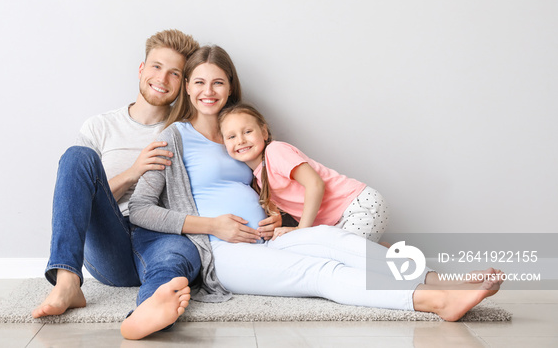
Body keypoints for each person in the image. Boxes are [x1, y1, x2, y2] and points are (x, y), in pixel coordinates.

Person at [128, 45, 503, 338]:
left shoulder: (239, 137)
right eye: (199, 82)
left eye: (218, 82)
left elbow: (267, 185)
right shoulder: (173, 138)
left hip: (269, 237)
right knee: (320, 272)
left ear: (230, 87)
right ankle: (434, 301)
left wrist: (271, 213)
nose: (208, 91)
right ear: (187, 87)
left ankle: (440, 280)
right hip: (224, 251)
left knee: (336, 241)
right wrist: (212, 225)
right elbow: (142, 210)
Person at [31, 30, 204, 331]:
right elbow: (77, 198)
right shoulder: (100, 126)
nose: (162, 78)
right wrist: (134, 172)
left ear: (184, 83)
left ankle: (146, 313)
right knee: (77, 156)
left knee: (176, 256)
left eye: (174, 73)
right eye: (156, 66)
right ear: (141, 69)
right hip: (111, 245)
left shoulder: (184, 131)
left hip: (160, 237)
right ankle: (67, 281)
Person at [219, 102, 388, 242]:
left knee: (347, 259)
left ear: (264, 132)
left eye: (247, 131)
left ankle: (399, 261)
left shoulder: (275, 152)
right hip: (337, 221)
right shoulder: (258, 178)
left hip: (357, 205)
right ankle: (387, 253)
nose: (240, 140)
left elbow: (315, 184)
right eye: (231, 137)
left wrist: (301, 230)